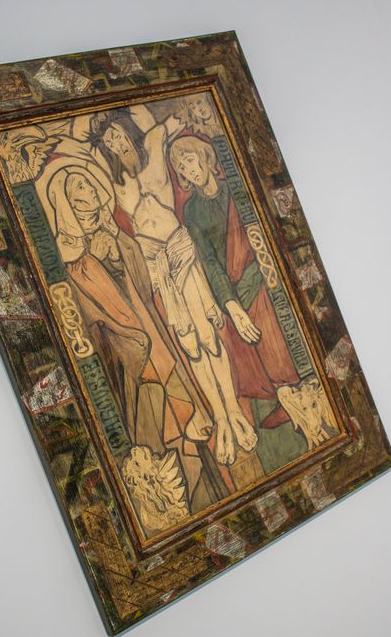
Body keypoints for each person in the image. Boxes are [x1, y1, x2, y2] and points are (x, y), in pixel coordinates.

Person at [41, 161, 228, 525]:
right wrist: (97, 261)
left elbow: (142, 284)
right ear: (67, 205)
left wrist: (117, 247)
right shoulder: (73, 260)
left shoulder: (117, 237)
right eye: (79, 189)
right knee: (161, 438)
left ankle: (209, 504)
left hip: (156, 344)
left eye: (89, 184)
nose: (89, 191)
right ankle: (182, 516)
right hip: (131, 364)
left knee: (190, 432)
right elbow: (91, 318)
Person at [90, 107, 258, 467]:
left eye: (116, 133)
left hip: (179, 249)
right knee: (190, 345)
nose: (115, 142)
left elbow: (183, 117)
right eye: (108, 141)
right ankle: (220, 419)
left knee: (208, 337)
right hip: (155, 264)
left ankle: (234, 412)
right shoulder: (113, 179)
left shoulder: (154, 141)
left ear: (126, 127)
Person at [170, 135, 301, 416]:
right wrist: (233, 308)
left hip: (265, 276)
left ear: (205, 156)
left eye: (190, 160)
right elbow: (210, 262)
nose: (189, 170)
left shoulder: (235, 189)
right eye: (182, 168)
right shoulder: (191, 210)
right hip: (234, 292)